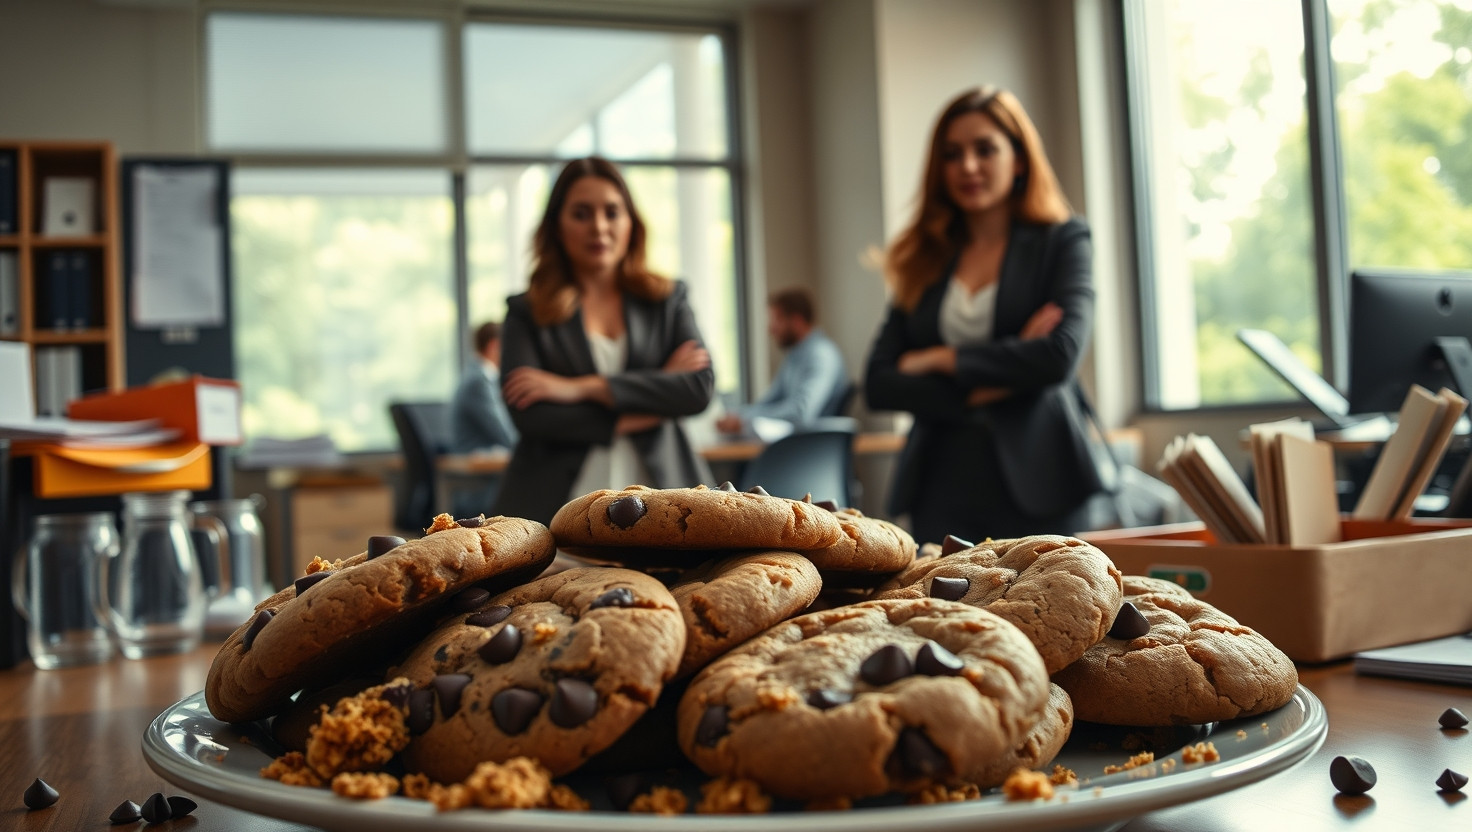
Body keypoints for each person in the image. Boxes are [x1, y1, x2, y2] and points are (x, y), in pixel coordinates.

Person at [864, 86, 1105, 545]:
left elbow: (1058, 355)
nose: (968, 166)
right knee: (945, 595)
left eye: (985, 149)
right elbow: (879, 382)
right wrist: (999, 378)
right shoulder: (924, 256)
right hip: (939, 481)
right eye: (952, 154)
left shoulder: (1062, 240)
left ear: (1019, 159)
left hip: (1041, 477)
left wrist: (941, 359)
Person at [492, 157, 716, 525]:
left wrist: (579, 388)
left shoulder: (667, 299)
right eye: (581, 214)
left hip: (666, 497)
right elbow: (533, 417)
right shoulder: (526, 312)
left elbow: (697, 389)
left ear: (631, 223)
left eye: (612, 212)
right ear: (557, 225)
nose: (598, 226)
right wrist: (658, 397)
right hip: (553, 509)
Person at [716, 288, 850, 436]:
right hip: (793, 440)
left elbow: (801, 412)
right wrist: (737, 415)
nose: (771, 329)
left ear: (797, 321)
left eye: (777, 320)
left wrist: (745, 420)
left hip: (813, 444)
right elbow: (770, 401)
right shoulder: (793, 357)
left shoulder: (821, 355)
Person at [450, 321, 518, 454]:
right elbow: (503, 433)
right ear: (494, 346)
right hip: (477, 457)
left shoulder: (480, 377)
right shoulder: (478, 382)